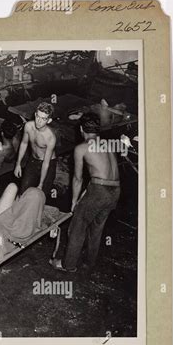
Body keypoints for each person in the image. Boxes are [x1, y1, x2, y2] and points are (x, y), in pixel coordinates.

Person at [50, 112, 120, 272]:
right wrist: (88, 192)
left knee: (78, 226)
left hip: (99, 190)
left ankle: (68, 265)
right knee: (96, 228)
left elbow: (77, 178)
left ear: (81, 129)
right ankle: (89, 263)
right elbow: (103, 172)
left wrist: (74, 202)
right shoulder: (108, 144)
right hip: (115, 190)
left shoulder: (81, 148)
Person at [14, 102, 57, 198]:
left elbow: (46, 163)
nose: (39, 121)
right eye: (38, 116)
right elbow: (24, 143)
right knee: (23, 191)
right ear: (35, 114)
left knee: (41, 195)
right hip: (33, 160)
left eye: (43, 119)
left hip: (48, 164)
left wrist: (40, 184)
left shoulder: (50, 137)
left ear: (49, 120)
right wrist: (18, 164)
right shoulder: (28, 126)